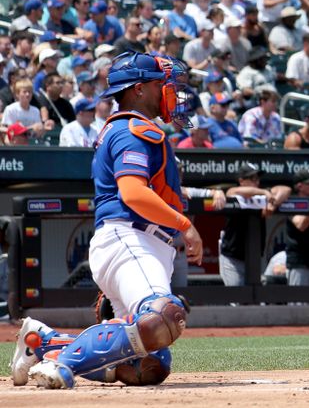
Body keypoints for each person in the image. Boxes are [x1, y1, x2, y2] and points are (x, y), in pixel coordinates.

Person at [12, 52, 202, 389]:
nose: (169, 91)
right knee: (164, 316)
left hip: (143, 243)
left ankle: (44, 343)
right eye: (161, 84)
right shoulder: (133, 129)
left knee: (150, 364)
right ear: (138, 89)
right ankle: (62, 363)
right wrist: (186, 226)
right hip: (131, 238)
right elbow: (132, 193)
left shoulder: (132, 128)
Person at [219, 163, 291, 286]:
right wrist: (264, 192)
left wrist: (272, 204)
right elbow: (233, 191)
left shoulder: (262, 197)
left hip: (254, 258)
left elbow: (286, 189)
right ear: (241, 180)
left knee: (255, 298)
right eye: (252, 178)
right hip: (233, 258)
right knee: (236, 299)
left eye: (257, 178)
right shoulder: (235, 192)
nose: (256, 181)